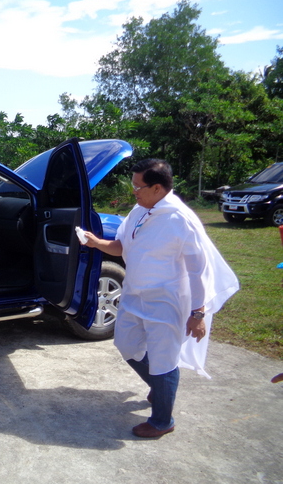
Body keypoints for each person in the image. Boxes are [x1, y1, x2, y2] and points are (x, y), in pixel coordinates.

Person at [83, 159, 239, 438]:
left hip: (167, 302)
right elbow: (120, 247)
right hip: (134, 294)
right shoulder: (140, 210)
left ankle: (162, 420)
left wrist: (198, 314)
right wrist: (96, 242)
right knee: (126, 344)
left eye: (137, 186)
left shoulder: (180, 219)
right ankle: (160, 386)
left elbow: (198, 270)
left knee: (164, 360)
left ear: (157, 188)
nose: (134, 191)